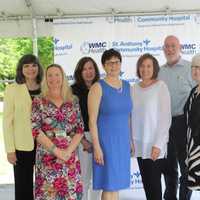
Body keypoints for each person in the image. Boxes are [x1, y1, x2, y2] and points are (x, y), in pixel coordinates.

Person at [31, 64, 84, 200]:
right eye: (50, 75)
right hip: (47, 157)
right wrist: (56, 151)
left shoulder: (73, 100)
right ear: (45, 79)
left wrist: (67, 152)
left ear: (62, 77)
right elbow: (35, 130)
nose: (54, 78)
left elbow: (79, 129)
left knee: (70, 195)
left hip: (69, 157)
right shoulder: (38, 101)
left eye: (57, 75)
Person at [88, 48, 133, 200]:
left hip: (122, 143)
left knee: (116, 185)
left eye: (116, 62)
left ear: (120, 64)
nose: (113, 66)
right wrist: (97, 147)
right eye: (109, 63)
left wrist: (131, 141)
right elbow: (92, 121)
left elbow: (128, 117)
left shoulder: (127, 86)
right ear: (103, 66)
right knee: (109, 185)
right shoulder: (97, 87)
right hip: (106, 143)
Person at [3, 54, 43, 200]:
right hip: (21, 146)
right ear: (21, 69)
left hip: (46, 145)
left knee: (46, 185)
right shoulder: (12, 89)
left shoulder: (46, 87)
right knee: (23, 187)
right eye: (26, 66)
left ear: (38, 68)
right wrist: (10, 150)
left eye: (34, 65)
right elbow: (7, 122)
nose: (31, 69)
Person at [159, 35, 194, 200]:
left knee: (186, 167)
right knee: (169, 168)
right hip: (164, 124)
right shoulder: (159, 72)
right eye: (166, 46)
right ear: (163, 49)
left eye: (173, 45)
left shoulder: (190, 68)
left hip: (185, 123)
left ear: (180, 47)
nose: (170, 49)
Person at [131, 53, 171, 200]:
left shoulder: (161, 87)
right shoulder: (134, 88)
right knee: (147, 186)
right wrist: (131, 141)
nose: (145, 69)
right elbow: (131, 117)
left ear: (154, 68)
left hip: (154, 145)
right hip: (140, 145)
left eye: (148, 66)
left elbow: (165, 118)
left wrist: (159, 144)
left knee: (154, 188)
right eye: (142, 66)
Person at [71, 57, 101, 200]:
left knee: (99, 179)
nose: (88, 72)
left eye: (91, 68)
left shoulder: (102, 86)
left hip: (101, 137)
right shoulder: (73, 91)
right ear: (80, 72)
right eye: (85, 69)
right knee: (84, 179)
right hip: (83, 138)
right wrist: (83, 141)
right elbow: (71, 120)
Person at [184, 54, 200, 190]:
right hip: (193, 148)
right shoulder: (194, 91)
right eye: (194, 67)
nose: (196, 70)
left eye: (199, 67)